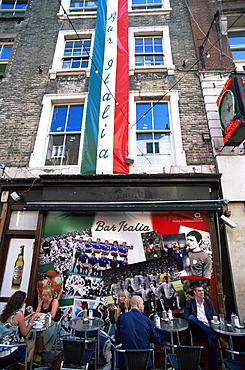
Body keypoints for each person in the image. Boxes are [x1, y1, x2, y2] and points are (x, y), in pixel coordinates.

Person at [115, 295, 161, 370]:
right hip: (144, 361)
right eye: (142, 304)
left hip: (126, 361)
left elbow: (117, 340)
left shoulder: (122, 318)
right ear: (138, 305)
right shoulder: (147, 320)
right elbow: (157, 340)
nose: (143, 306)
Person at [182, 285, 219, 370]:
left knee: (210, 340)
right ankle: (212, 334)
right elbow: (185, 316)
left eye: (202, 291)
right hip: (196, 329)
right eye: (199, 291)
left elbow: (214, 316)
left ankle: (214, 368)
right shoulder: (190, 303)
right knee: (191, 317)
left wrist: (210, 323)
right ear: (195, 292)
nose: (202, 292)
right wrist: (199, 323)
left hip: (207, 328)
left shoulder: (208, 303)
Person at [0, 291, 38, 368]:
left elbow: (14, 323)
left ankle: (19, 365)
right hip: (9, 352)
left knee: (26, 342)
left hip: (1, 347)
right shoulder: (19, 314)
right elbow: (24, 333)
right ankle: (24, 367)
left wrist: (30, 316)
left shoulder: (6, 312)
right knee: (31, 343)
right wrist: (31, 321)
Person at [31, 287, 60, 363]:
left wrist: (39, 314)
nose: (43, 297)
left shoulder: (54, 301)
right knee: (36, 331)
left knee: (42, 333)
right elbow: (36, 312)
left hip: (52, 323)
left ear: (50, 295)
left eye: (45, 295)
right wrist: (32, 312)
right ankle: (36, 351)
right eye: (42, 295)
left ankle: (40, 352)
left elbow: (52, 315)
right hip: (42, 322)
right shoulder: (42, 302)